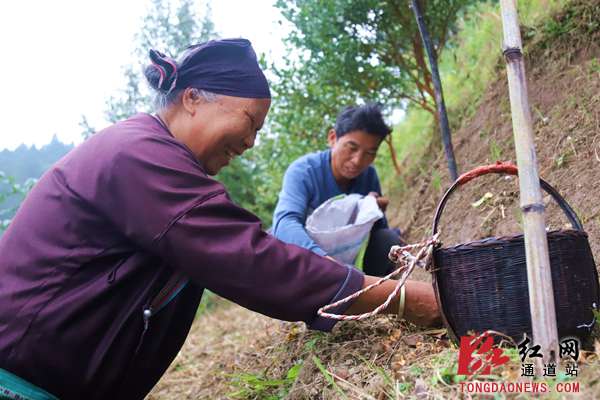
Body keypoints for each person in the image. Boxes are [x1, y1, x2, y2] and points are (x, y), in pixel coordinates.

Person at [0, 39, 439, 400]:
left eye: (258, 132)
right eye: (249, 122)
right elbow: (251, 259)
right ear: (192, 98)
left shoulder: (151, 155)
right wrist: (411, 299)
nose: (249, 142)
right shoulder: (139, 154)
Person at [273, 104, 403, 276]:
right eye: (352, 148)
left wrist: (374, 210)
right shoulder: (304, 172)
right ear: (333, 138)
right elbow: (284, 224)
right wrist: (324, 260)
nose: (358, 161)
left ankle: (371, 296)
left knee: (389, 240)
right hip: (308, 262)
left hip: (349, 263)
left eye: (370, 153)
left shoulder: (368, 175)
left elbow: (378, 232)